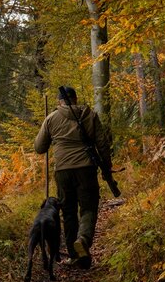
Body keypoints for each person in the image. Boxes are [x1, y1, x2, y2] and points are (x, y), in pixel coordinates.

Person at [34, 86, 113, 269]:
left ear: (59, 100)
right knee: (88, 208)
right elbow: (102, 143)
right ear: (75, 99)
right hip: (86, 168)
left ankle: (76, 256)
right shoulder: (89, 114)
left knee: (68, 212)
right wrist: (106, 167)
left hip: (62, 171)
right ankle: (83, 239)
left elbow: (39, 148)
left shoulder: (51, 118)